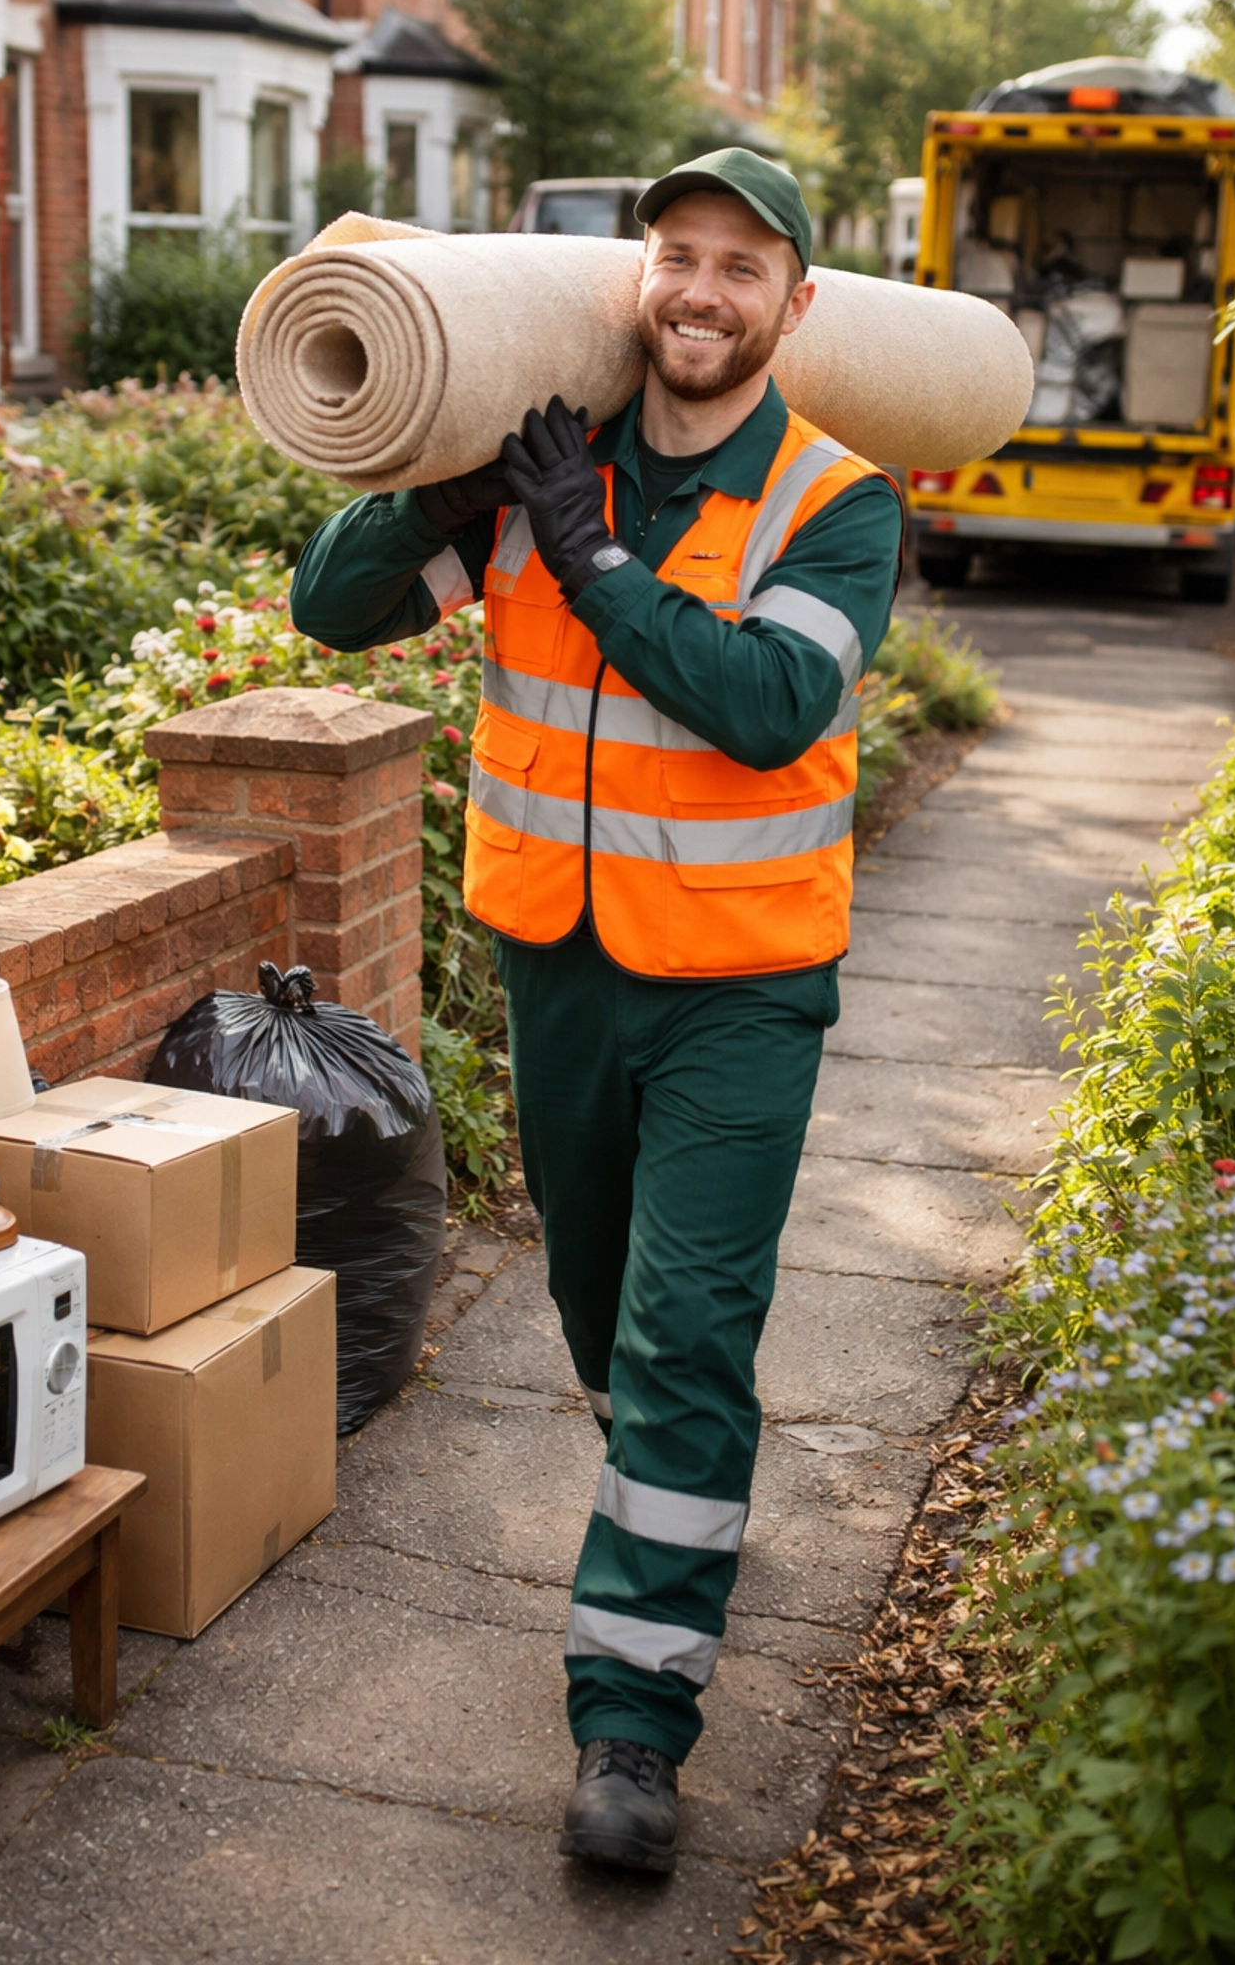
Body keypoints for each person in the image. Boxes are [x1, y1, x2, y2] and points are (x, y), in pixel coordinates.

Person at [290, 148, 904, 1874]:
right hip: (559, 968)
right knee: (595, 1304)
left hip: (740, 991)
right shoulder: (541, 467)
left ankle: (632, 1719)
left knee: (683, 1331)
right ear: (644, 279)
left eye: (741, 265)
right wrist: (442, 473)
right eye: (677, 257)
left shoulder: (834, 502)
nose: (701, 291)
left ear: (798, 303)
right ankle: (682, 1506)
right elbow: (326, 613)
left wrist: (602, 563)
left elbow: (772, 704)